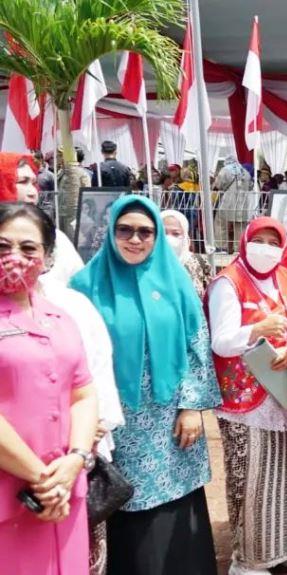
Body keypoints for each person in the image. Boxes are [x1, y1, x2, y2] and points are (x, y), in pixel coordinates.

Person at [70, 195, 222, 575]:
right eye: (125, 230)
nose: (135, 239)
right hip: (117, 421)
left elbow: (197, 342)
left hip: (171, 421)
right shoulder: (85, 286)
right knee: (123, 501)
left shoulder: (175, 281)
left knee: (178, 503)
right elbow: (72, 355)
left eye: (145, 232)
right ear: (110, 232)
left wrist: (191, 406)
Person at [206, 217, 287, 575]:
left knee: (283, 473)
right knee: (251, 478)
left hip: (280, 388)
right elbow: (221, 341)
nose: (266, 248)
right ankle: (249, 559)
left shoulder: (285, 277)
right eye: (259, 240)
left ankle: (283, 546)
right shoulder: (228, 282)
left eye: (273, 241)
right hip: (244, 398)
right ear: (245, 241)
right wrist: (256, 330)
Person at [0, 202, 98, 575]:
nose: (15, 258)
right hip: (16, 494)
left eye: (28, 248)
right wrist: (44, 481)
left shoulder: (59, 317)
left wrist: (76, 459)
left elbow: (83, 392)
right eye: (3, 246)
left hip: (65, 492)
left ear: (47, 257)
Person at [0, 152, 84, 287]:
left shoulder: (57, 239)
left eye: (34, 183)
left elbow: (79, 284)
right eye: (22, 182)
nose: (33, 192)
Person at [162, 209, 213, 297]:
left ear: (185, 235)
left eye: (176, 234)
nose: (169, 238)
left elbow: (209, 295)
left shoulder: (199, 262)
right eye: (163, 233)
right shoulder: (147, 266)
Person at [213, 156, 256, 250]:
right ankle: (240, 249)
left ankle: (221, 247)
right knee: (240, 227)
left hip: (228, 202)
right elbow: (250, 186)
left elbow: (218, 184)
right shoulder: (245, 172)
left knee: (221, 223)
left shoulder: (225, 170)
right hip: (243, 204)